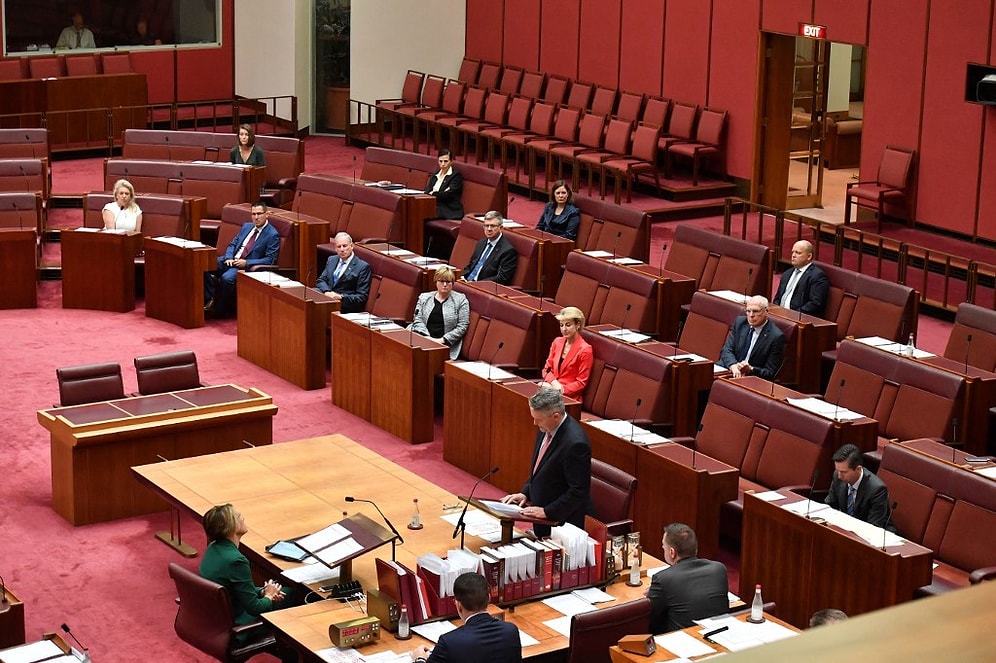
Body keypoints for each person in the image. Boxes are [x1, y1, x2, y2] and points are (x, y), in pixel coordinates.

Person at [199, 504, 296, 663]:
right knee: (292, 596)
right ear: (229, 528)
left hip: (214, 622)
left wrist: (264, 591)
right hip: (237, 628)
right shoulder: (236, 560)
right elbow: (255, 608)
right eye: (238, 517)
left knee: (286, 593)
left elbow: (236, 589)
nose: (242, 517)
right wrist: (270, 596)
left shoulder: (213, 548)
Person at [500, 386, 592, 538]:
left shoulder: (575, 444)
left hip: (562, 525)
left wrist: (547, 511)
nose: (535, 423)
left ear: (555, 416)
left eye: (538, 419)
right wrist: (525, 493)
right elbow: (540, 467)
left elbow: (578, 491)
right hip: (542, 521)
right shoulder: (546, 426)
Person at [409, 572, 521, 663]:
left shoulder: (449, 642)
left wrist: (420, 659)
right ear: (489, 598)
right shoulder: (511, 631)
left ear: (458, 605)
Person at [646, 523, 729, 634]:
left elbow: (650, 617)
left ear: (672, 552)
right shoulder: (718, 569)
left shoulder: (663, 579)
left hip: (684, 641)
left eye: (663, 546)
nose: (662, 548)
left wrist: (652, 594)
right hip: (720, 636)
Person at [204, 202, 281, 316]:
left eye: (259, 214)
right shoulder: (247, 226)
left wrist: (246, 263)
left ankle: (220, 310)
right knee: (203, 263)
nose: (256, 217)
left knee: (227, 278)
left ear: (267, 214)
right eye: (253, 214)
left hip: (245, 266)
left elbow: (270, 260)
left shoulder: (272, 235)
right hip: (231, 260)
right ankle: (210, 298)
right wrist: (229, 257)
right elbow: (232, 244)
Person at [825, 444, 893, 528]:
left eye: (843, 472)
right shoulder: (837, 476)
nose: (839, 476)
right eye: (837, 470)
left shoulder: (877, 489)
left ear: (858, 469)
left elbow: (874, 526)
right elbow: (830, 505)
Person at [718, 295, 785, 380]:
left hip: (750, 378)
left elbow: (769, 372)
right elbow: (726, 350)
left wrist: (751, 369)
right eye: (748, 311)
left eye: (756, 311)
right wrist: (733, 366)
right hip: (729, 368)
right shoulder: (740, 323)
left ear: (766, 312)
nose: (751, 315)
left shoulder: (775, 337)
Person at [409, 266, 469, 360]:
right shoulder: (424, 297)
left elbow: (462, 326)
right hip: (421, 337)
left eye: (448, 282)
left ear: (452, 283)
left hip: (445, 344)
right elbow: (417, 319)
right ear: (436, 282)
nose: (445, 284)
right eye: (441, 281)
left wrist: (442, 340)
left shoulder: (460, 300)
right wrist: (427, 338)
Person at [541, 306, 593, 401]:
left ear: (578, 325)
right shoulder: (557, 342)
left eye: (568, 325)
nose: (564, 329)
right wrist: (554, 383)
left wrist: (561, 389)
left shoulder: (585, 350)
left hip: (568, 397)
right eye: (561, 325)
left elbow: (581, 383)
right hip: (551, 388)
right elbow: (546, 370)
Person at [315, 232, 372, 313]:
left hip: (344, 305)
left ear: (352, 246)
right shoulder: (332, 260)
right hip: (327, 297)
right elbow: (321, 280)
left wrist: (340, 297)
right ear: (335, 248)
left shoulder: (362, 267)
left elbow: (361, 297)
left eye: (344, 246)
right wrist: (328, 292)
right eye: (339, 246)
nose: (342, 249)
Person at [773, 240, 830, 316]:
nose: (793, 255)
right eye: (793, 252)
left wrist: (793, 315)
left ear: (809, 256)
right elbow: (778, 298)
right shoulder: (787, 273)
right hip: (780, 315)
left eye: (798, 253)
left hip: (799, 318)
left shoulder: (817, 276)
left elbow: (815, 304)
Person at [462, 211, 518, 284]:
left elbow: (502, 278)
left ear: (501, 228)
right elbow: (471, 266)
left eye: (493, 226)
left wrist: (476, 284)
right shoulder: (481, 243)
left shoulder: (508, 250)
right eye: (486, 226)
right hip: (467, 283)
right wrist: (462, 277)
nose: (489, 229)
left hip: (483, 287)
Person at [424, 149, 463, 219]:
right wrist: (437, 193)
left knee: (423, 212)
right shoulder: (435, 175)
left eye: (446, 161)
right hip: (434, 205)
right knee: (415, 209)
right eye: (440, 161)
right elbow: (427, 191)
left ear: (451, 161)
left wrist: (433, 193)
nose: (443, 164)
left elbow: (447, 195)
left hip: (448, 209)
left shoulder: (456, 176)